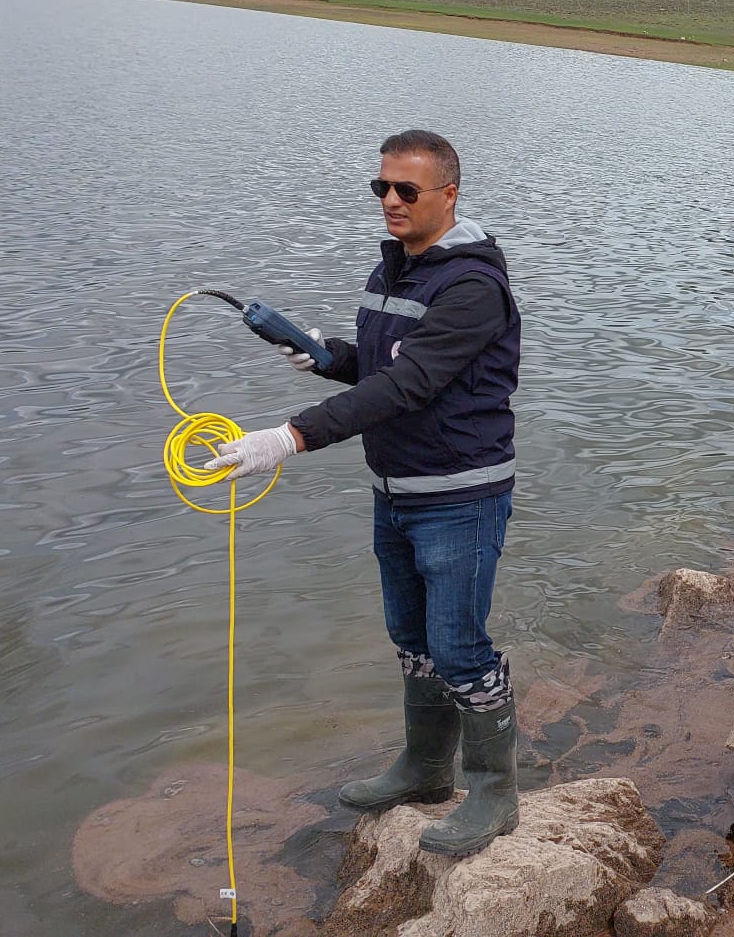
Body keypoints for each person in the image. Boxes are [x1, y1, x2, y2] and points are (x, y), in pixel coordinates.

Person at [203, 128, 524, 857]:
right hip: (396, 491)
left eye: (406, 189)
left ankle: (495, 795)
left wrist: (288, 437)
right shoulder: (393, 272)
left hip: (461, 496)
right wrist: (325, 357)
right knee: (411, 641)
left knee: (459, 647)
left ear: (448, 194)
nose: (389, 201)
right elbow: (382, 368)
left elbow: (412, 385)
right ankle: (423, 769)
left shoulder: (473, 286)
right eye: (380, 187)